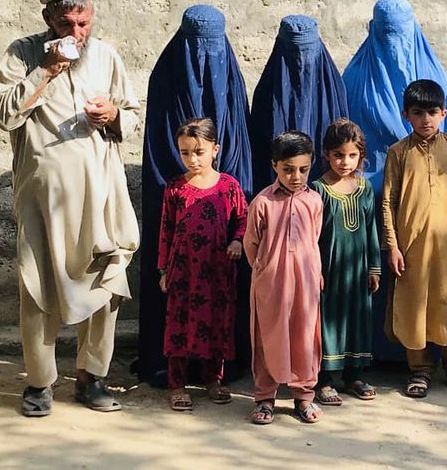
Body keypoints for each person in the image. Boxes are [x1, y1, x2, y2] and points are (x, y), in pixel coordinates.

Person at [0, 0, 140, 415]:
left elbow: (130, 112)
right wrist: (47, 70)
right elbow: (3, 114)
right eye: (66, 23)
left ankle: (92, 378)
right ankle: (39, 384)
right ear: (48, 19)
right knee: (37, 288)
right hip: (44, 199)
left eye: (83, 22)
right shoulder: (23, 53)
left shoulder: (106, 54)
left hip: (101, 193)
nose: (76, 32)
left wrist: (113, 115)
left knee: (106, 280)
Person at [138, 5, 253, 387]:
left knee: (222, 304)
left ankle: (219, 371)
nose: (205, 59)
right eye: (196, 47)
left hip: (222, 234)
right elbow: (159, 144)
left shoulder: (232, 84)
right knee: (178, 308)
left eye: (212, 47)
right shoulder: (165, 77)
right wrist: (184, 171)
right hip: (179, 226)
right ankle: (171, 371)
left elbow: (239, 137)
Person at [343, 0, 447, 362]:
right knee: (377, 273)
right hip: (365, 199)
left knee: (427, 278)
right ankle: (373, 354)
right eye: (386, 33)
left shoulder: (434, 78)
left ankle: (426, 354)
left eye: (398, 33)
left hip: (425, 201)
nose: (393, 43)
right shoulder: (353, 76)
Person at [381, 79, 447, 398]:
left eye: (432, 112)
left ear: (444, 113)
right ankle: (419, 368)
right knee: (413, 305)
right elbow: (388, 201)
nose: (426, 120)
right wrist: (392, 246)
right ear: (406, 115)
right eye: (418, 113)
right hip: (411, 247)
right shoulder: (398, 152)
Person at [157, 118, 247, 411]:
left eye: (199, 151)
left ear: (215, 149)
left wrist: (237, 242)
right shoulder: (175, 189)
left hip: (218, 271)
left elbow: (243, 221)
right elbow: (166, 231)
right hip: (184, 271)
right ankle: (177, 383)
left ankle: (213, 378)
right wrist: (163, 270)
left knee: (217, 322)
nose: (192, 159)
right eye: (185, 152)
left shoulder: (229, 187)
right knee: (179, 323)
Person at [244, 131, 323, 424]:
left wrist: (314, 274)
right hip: (271, 283)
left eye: (303, 169)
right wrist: (266, 271)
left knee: (305, 337)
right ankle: (265, 397)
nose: (296, 176)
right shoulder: (263, 202)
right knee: (267, 336)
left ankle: (303, 396)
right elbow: (252, 243)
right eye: (288, 169)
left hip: (305, 281)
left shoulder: (314, 201)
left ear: (311, 164)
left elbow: (314, 239)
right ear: (275, 165)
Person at [312, 119, 382, 406]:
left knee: (357, 319)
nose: (345, 161)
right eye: (338, 154)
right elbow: (311, 237)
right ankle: (325, 379)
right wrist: (315, 270)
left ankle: (354, 375)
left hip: (357, 270)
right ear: (327, 154)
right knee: (329, 321)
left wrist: (374, 268)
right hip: (329, 270)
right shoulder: (317, 190)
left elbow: (371, 229)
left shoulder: (364, 188)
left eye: (352, 155)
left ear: (361, 156)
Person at [249, 14, 348, 191]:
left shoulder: (333, 88)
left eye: (307, 50)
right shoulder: (267, 91)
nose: (301, 60)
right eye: (293, 51)